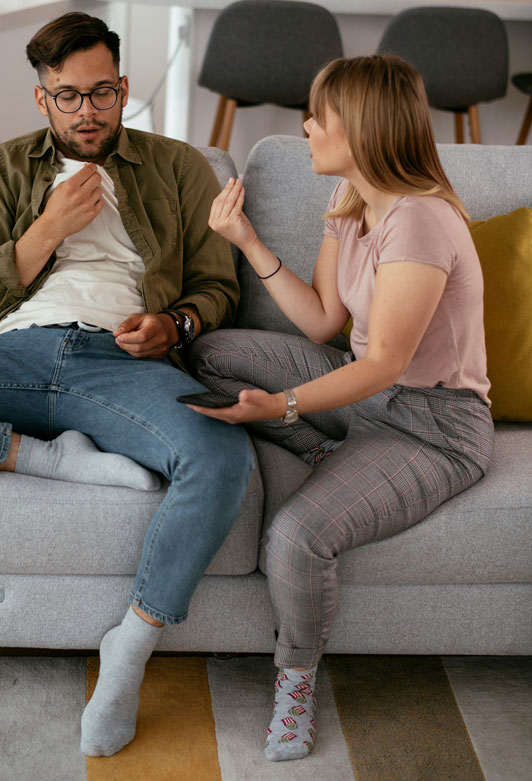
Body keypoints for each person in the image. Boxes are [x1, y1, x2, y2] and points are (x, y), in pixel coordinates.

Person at [0, 12, 253, 757]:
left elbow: (218, 290)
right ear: (41, 100)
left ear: (124, 89)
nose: (87, 111)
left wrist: (174, 326)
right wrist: (46, 230)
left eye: (102, 93)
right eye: (68, 95)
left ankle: (130, 646)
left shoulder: (181, 167)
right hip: (12, 357)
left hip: (121, 365)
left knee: (222, 456)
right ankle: (44, 456)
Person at [187, 54, 494, 762]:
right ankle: (331, 450)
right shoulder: (351, 205)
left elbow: (384, 359)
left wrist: (283, 406)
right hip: (367, 396)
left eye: (319, 115)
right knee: (213, 353)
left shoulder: (419, 221)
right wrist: (248, 243)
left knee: (296, 535)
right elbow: (324, 322)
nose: (307, 126)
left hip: (433, 426)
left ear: (361, 127)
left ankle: (295, 681)